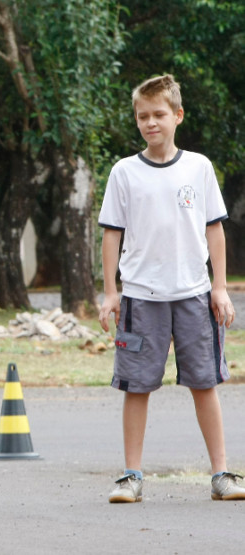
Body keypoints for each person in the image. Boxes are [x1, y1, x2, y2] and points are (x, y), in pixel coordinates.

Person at [98, 74, 245, 503]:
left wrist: (219, 288)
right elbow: (111, 235)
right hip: (141, 298)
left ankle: (221, 475)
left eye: (159, 114)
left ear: (178, 115)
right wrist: (111, 292)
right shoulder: (124, 172)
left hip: (194, 294)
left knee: (205, 383)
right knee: (137, 386)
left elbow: (214, 230)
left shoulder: (198, 167)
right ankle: (131, 477)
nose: (150, 123)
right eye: (142, 116)